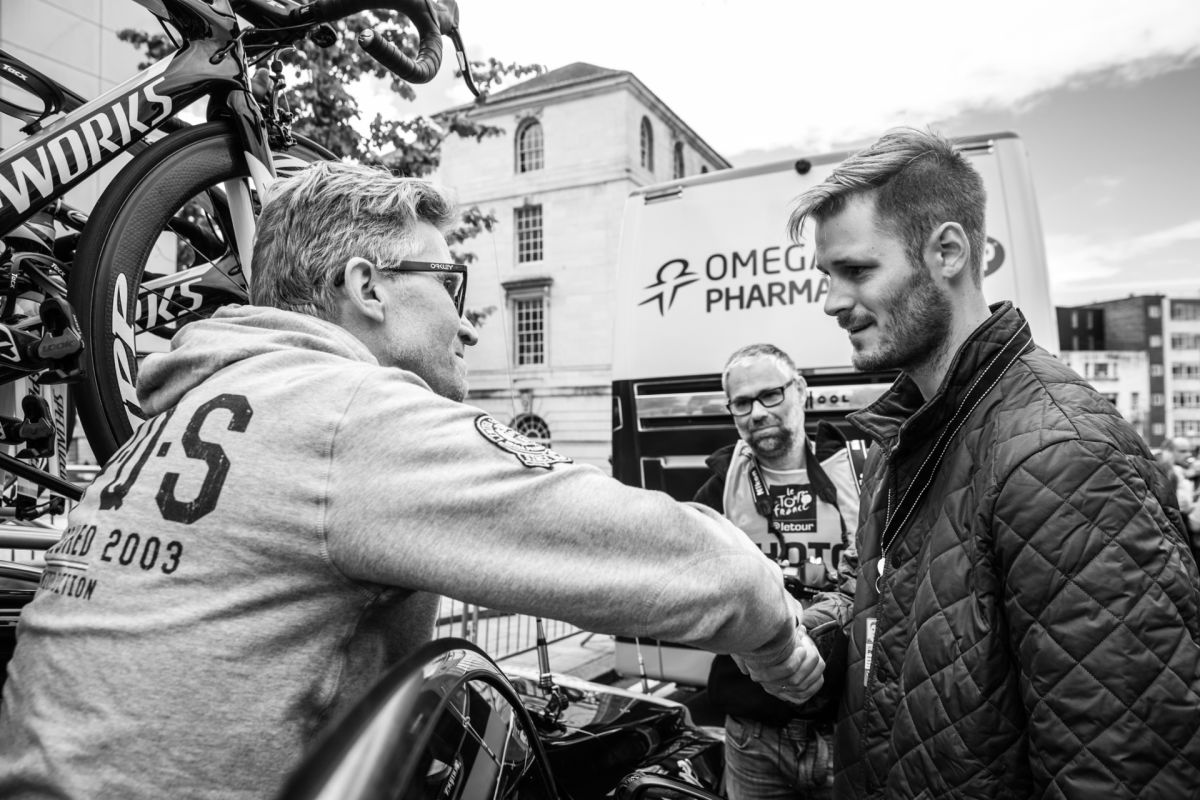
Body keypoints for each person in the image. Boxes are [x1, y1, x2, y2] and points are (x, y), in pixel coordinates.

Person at [0, 162, 825, 800]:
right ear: (368, 287)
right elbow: (700, 569)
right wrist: (787, 653)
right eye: (449, 282)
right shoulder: (346, 411)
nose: (465, 322)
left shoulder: (188, 409)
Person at [786, 127, 1200, 797]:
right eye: (826, 277)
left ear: (947, 251)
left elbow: (1123, 763)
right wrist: (805, 633)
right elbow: (916, 617)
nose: (831, 302)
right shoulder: (910, 432)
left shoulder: (1065, 455)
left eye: (856, 271)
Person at [693, 343, 863, 800]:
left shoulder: (860, 472)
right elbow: (695, 597)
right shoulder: (718, 490)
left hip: (848, 729)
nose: (757, 412)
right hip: (754, 736)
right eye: (742, 403)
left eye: (770, 395)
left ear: (801, 390)